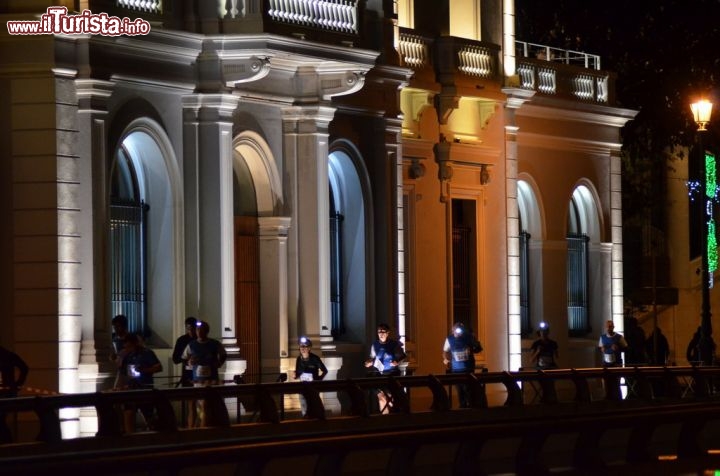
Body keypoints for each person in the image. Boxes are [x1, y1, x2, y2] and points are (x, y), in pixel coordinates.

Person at [182, 320, 227, 426]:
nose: (199, 332)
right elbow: (183, 358)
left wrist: (219, 363)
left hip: (211, 380)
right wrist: (189, 362)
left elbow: (223, 354)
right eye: (197, 330)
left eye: (202, 330)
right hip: (197, 381)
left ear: (206, 331)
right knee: (195, 407)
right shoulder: (191, 345)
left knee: (206, 406)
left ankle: (205, 429)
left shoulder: (214, 344)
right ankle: (193, 431)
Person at [120, 333, 162, 432]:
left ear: (136, 343)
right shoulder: (127, 356)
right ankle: (130, 437)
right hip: (131, 388)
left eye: (130, 346)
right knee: (128, 412)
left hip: (144, 388)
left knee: (148, 415)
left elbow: (159, 367)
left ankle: (151, 435)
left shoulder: (147, 353)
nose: (129, 349)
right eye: (126, 347)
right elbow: (123, 372)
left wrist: (144, 370)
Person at [364, 323, 406, 414]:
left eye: (383, 331)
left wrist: (396, 362)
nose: (381, 333)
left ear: (387, 333)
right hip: (378, 375)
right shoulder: (375, 345)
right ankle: (384, 418)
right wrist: (369, 362)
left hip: (391, 374)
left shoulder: (393, 344)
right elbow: (372, 358)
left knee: (389, 397)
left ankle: (392, 414)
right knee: (381, 398)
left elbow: (402, 356)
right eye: (379, 331)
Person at [442, 322, 483, 408]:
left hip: (468, 368)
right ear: (452, 330)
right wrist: (446, 361)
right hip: (456, 369)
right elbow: (445, 351)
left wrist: (475, 343)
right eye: (456, 329)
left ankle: (471, 407)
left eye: (460, 329)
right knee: (459, 389)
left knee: (468, 389)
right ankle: (462, 406)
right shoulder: (449, 339)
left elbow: (478, 348)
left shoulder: (469, 337)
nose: (458, 332)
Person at [172, 316, 198, 427]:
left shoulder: (200, 339)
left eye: (193, 328)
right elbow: (175, 359)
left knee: (202, 404)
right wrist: (186, 360)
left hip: (200, 375)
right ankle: (191, 429)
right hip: (188, 374)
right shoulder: (182, 340)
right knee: (191, 404)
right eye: (188, 329)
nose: (191, 331)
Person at [0, 346, 29, 443]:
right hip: (8, 393)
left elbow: (24, 368)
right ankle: (8, 443)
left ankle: (7, 443)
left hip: (5, 393)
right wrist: (17, 385)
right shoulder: (9, 355)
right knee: (1, 420)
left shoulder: (7, 355)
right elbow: (24, 368)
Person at [294, 336, 327, 416]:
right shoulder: (299, 359)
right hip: (302, 386)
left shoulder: (315, 359)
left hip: (313, 386)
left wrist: (319, 380)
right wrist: (296, 375)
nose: (303, 348)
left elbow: (325, 370)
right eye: (301, 346)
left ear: (309, 348)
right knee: (304, 407)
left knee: (314, 406)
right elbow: (298, 372)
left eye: (305, 346)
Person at [110, 314, 130, 389]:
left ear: (124, 327)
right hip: (121, 370)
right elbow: (114, 356)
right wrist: (113, 357)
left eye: (118, 327)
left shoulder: (132, 339)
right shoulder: (115, 340)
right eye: (114, 327)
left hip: (131, 370)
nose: (116, 329)